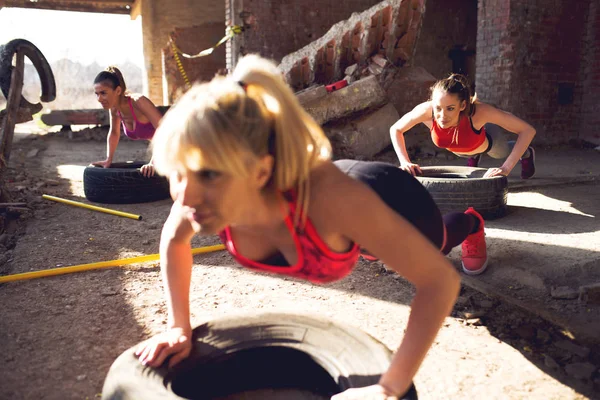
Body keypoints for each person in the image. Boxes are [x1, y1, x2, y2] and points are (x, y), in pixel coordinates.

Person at [133, 55, 485, 399]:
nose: (185, 194)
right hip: (340, 215)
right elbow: (173, 240)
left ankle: (471, 222)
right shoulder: (198, 198)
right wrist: (178, 326)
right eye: (179, 171)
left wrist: (389, 386)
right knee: (376, 249)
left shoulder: (335, 202)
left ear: (259, 171)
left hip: (392, 197)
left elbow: (439, 281)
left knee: (433, 247)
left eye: (209, 174)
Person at [390, 74, 537, 179]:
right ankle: (473, 155)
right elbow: (396, 129)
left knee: (501, 152)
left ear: (463, 105)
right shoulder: (426, 111)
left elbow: (527, 130)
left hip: (488, 141)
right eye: (438, 108)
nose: (442, 116)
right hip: (463, 147)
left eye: (450, 108)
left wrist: (505, 168)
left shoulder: (479, 113)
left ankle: (527, 153)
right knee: (467, 148)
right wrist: (405, 161)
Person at [92, 66, 163, 177]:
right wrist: (108, 159)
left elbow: (165, 131)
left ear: (118, 91)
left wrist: (154, 161)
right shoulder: (114, 109)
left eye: (103, 93)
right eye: (97, 94)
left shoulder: (139, 101)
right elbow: (114, 133)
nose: (99, 99)